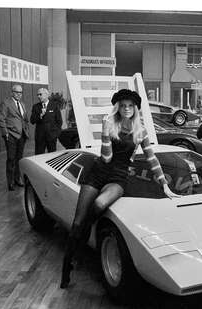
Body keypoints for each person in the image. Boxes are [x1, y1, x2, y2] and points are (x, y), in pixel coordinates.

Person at [60, 89, 180, 289]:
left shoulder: (140, 131)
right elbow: (106, 158)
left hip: (118, 177)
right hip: (97, 172)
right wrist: (105, 132)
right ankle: (67, 266)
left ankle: (81, 246)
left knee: (98, 205)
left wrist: (165, 185)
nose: (126, 109)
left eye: (130, 106)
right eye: (123, 106)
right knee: (78, 221)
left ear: (135, 109)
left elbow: (151, 159)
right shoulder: (109, 123)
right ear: (118, 108)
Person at [0, 84, 30, 191]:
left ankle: (17, 179)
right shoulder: (6, 103)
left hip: (21, 136)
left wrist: (26, 130)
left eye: (20, 92)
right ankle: (10, 182)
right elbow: (1, 119)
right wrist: (5, 133)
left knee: (19, 159)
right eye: (17, 92)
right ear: (12, 92)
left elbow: (25, 119)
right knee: (11, 159)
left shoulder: (22, 104)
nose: (19, 94)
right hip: (11, 135)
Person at [30, 88, 62, 154]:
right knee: (39, 157)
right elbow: (32, 120)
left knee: (52, 157)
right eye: (37, 95)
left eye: (40, 94)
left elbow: (59, 121)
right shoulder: (35, 107)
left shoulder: (54, 106)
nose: (38, 96)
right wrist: (40, 116)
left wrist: (56, 134)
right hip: (40, 137)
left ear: (46, 95)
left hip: (52, 137)